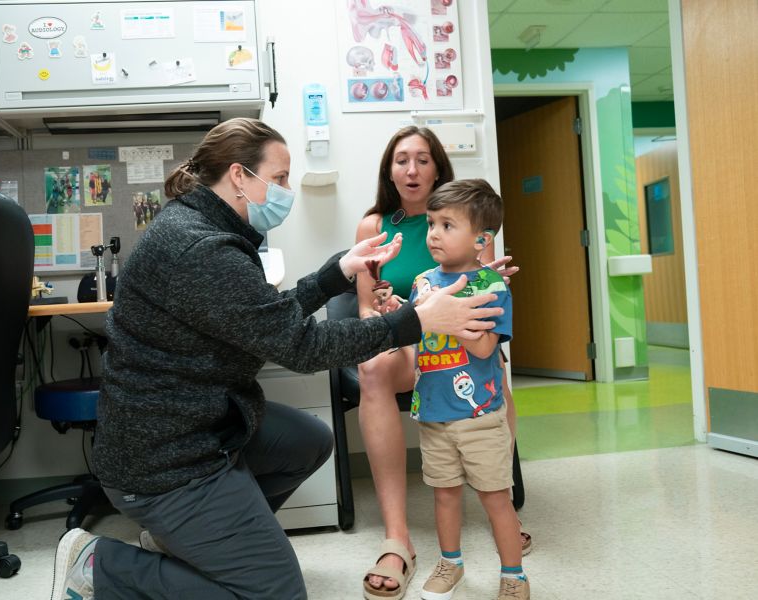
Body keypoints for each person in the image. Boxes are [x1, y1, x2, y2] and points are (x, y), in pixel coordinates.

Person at [49, 118, 507, 600]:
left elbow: (263, 316)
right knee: (277, 594)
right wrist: (416, 321)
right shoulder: (203, 247)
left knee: (306, 441)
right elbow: (301, 346)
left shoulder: (208, 226)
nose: (288, 189)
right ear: (241, 176)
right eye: (281, 177)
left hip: (201, 425)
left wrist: (336, 273)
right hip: (164, 459)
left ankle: (190, 542)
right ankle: (98, 566)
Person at [356, 126, 527, 600]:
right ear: (389, 169)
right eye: (401, 159)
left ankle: (509, 547)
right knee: (442, 490)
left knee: (495, 489)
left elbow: (483, 331)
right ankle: (420, 549)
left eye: (423, 159)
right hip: (421, 371)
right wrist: (399, 316)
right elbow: (376, 309)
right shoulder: (384, 238)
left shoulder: (479, 252)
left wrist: (455, 308)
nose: (411, 169)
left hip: (468, 375)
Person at [409, 179, 528, 600]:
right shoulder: (422, 281)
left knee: (497, 499)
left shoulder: (491, 287)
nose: (434, 234)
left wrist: (447, 311)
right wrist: (407, 312)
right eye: (431, 224)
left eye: (446, 225)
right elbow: (414, 334)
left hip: (481, 417)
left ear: (481, 239)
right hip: (434, 412)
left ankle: (513, 575)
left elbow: (483, 347)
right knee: (444, 496)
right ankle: (451, 564)